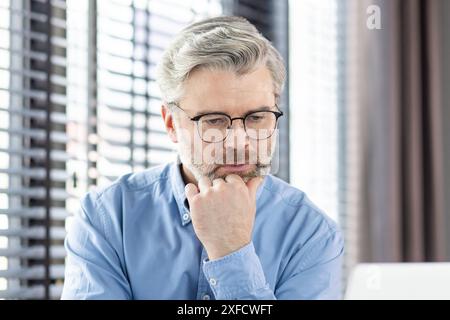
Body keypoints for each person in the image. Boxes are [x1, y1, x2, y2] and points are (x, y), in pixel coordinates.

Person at [61, 16, 343, 300]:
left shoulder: (312, 236)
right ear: (171, 124)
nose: (238, 141)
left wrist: (231, 251)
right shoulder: (107, 219)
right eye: (214, 120)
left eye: (257, 117)